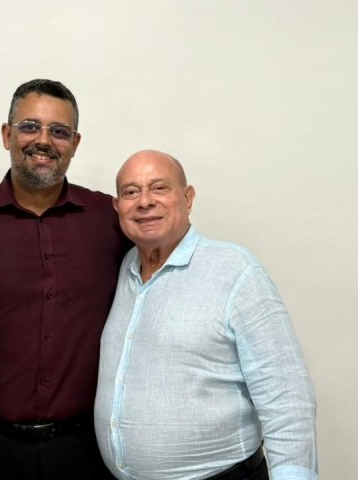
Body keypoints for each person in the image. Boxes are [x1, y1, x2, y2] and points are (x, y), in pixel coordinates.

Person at [0, 79, 130, 480]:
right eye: (30, 126)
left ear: (75, 143)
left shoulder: (109, 220)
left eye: (59, 131)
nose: (43, 140)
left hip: (86, 452)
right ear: (7, 134)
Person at [94, 150, 318, 480]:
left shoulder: (235, 271)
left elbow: (286, 398)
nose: (145, 202)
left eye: (159, 188)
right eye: (131, 192)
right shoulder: (125, 267)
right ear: (117, 207)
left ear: (188, 198)